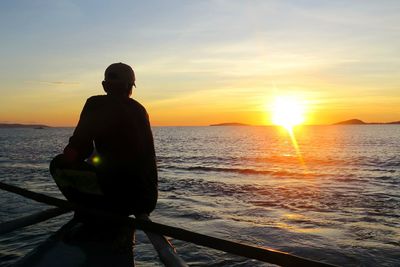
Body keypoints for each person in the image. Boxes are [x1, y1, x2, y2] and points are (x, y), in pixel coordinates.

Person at [50, 62, 158, 219]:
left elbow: (80, 148)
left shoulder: (95, 104)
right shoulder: (140, 109)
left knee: (57, 164)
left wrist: (71, 157)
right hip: (146, 200)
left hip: (118, 199)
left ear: (104, 86)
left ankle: (87, 210)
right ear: (130, 87)